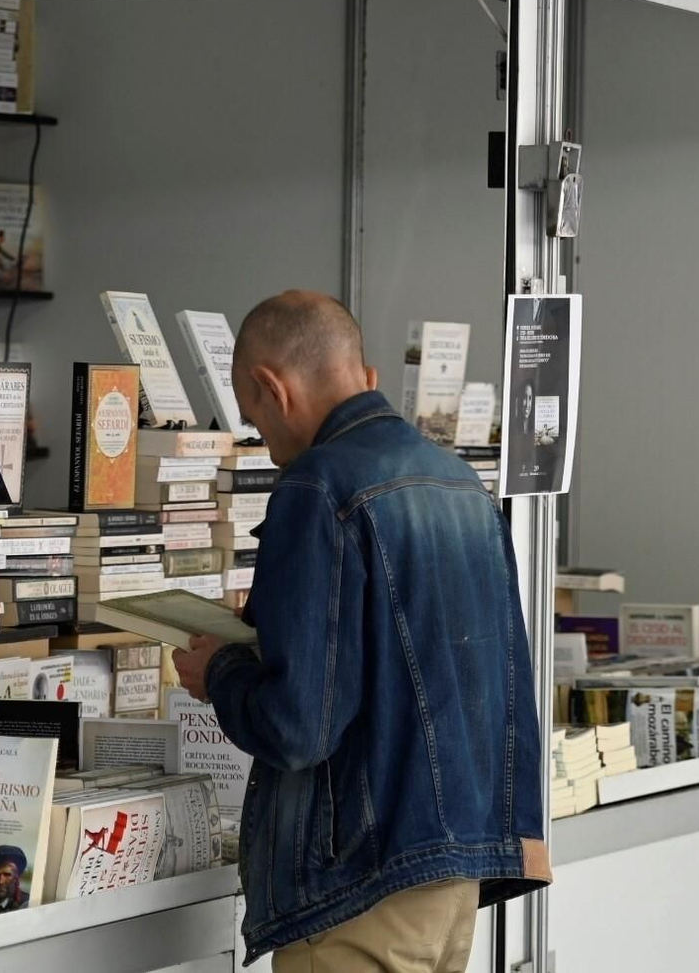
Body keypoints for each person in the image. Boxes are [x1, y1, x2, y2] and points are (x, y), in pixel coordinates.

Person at [172, 291, 550, 972]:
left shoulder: (317, 487)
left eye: (256, 421)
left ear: (271, 387)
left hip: (358, 887)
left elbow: (299, 726)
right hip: (455, 880)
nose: (268, 446)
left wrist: (220, 671)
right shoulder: (462, 484)